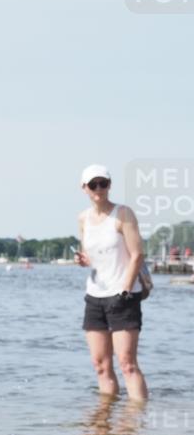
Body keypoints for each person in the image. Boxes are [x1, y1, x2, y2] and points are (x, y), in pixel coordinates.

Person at [75, 164, 149, 401]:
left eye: (103, 183)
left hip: (123, 295)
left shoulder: (123, 214)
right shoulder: (83, 218)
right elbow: (92, 254)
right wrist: (83, 260)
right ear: (84, 188)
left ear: (109, 185)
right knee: (100, 365)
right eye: (93, 184)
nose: (99, 189)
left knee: (127, 364)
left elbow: (137, 254)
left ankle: (136, 422)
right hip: (95, 296)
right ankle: (105, 422)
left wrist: (126, 290)